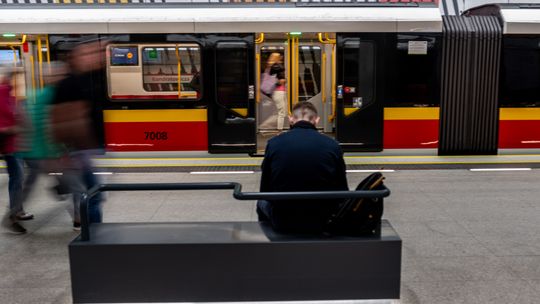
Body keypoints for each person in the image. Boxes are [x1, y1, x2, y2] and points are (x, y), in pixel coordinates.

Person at [257, 101, 348, 233]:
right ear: (316, 120)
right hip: (323, 219)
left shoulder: (274, 143)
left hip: (283, 220)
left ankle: (268, 237)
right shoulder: (333, 145)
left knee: (261, 202)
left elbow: (265, 188)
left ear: (291, 119)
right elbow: (342, 188)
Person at [51, 40, 106, 228]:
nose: (95, 57)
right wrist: (68, 151)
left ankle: (91, 232)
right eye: (87, 54)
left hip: (83, 151)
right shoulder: (69, 84)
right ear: (74, 58)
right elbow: (63, 121)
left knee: (92, 194)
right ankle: (93, 235)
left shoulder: (86, 79)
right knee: (93, 195)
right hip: (77, 151)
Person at [0, 69, 32, 234]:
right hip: (9, 147)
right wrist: (12, 129)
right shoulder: (2, 95)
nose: (18, 84)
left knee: (19, 178)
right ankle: (13, 214)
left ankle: (17, 211)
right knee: (17, 179)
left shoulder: (11, 97)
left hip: (17, 145)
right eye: (15, 79)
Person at [266, 53, 287, 131]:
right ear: (277, 58)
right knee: (281, 112)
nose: (281, 57)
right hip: (279, 92)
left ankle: (278, 128)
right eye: (280, 57)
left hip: (277, 92)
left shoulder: (271, 67)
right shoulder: (277, 66)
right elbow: (281, 81)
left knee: (282, 111)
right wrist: (284, 80)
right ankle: (279, 130)